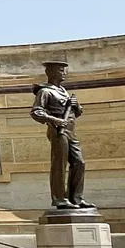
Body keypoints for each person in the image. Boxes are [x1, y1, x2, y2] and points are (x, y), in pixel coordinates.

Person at [31, 60, 91, 210]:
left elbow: (76, 113)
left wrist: (76, 105)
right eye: (61, 70)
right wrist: (55, 120)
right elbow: (36, 112)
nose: (64, 73)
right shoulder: (45, 91)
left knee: (79, 162)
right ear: (51, 73)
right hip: (58, 131)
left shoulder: (63, 91)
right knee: (59, 164)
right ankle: (60, 199)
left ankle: (76, 198)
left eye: (65, 70)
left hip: (71, 131)